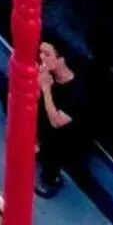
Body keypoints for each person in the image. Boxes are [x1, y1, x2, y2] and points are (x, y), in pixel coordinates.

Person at [36, 36, 87, 195]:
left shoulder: (76, 91)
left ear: (60, 60)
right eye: (40, 53)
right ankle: (36, 145)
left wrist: (46, 88)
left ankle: (51, 179)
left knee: (58, 138)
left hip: (67, 136)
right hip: (47, 123)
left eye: (47, 54)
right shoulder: (48, 74)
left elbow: (56, 121)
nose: (41, 57)